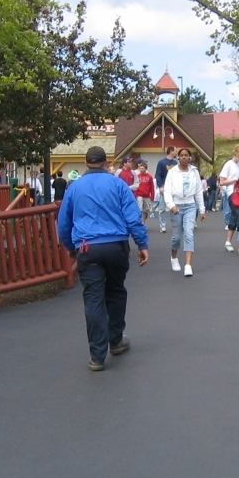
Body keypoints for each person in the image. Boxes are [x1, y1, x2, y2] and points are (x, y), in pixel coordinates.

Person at [57, 146, 149, 371]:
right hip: (116, 245)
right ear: (106, 162)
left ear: (86, 162)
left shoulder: (74, 188)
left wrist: (71, 247)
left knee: (93, 299)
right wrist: (142, 244)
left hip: (87, 248)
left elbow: (64, 223)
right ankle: (115, 339)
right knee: (116, 291)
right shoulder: (118, 184)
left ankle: (97, 356)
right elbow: (132, 217)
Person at [162, 148, 207, 275]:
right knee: (176, 236)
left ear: (190, 158)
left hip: (190, 205)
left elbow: (198, 191)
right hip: (176, 206)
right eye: (181, 155)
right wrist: (171, 205)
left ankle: (188, 265)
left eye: (186, 155)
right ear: (178, 158)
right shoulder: (172, 172)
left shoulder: (194, 172)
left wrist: (202, 210)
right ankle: (174, 257)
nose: (183, 157)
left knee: (189, 233)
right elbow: (167, 190)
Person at [219, 144, 239, 251]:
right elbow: (222, 182)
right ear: (237, 153)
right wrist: (235, 180)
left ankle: (230, 241)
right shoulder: (228, 165)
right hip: (232, 193)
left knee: (235, 216)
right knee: (238, 214)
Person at [154, 146, 178, 234]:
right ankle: (162, 225)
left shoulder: (176, 163)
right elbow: (158, 175)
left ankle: (175, 224)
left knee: (173, 206)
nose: (176, 152)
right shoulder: (162, 162)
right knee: (162, 207)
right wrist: (160, 186)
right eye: (175, 151)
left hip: (174, 187)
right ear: (171, 151)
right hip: (164, 186)